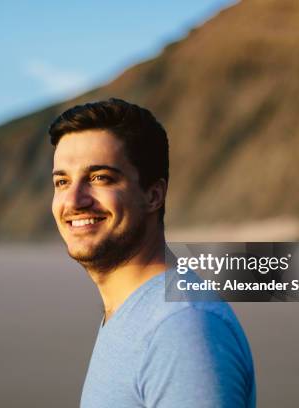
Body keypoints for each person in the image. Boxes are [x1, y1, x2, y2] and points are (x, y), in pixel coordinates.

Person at [49, 98, 256, 407]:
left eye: (100, 178)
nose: (75, 199)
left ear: (153, 194)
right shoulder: (136, 311)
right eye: (62, 181)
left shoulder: (181, 329)